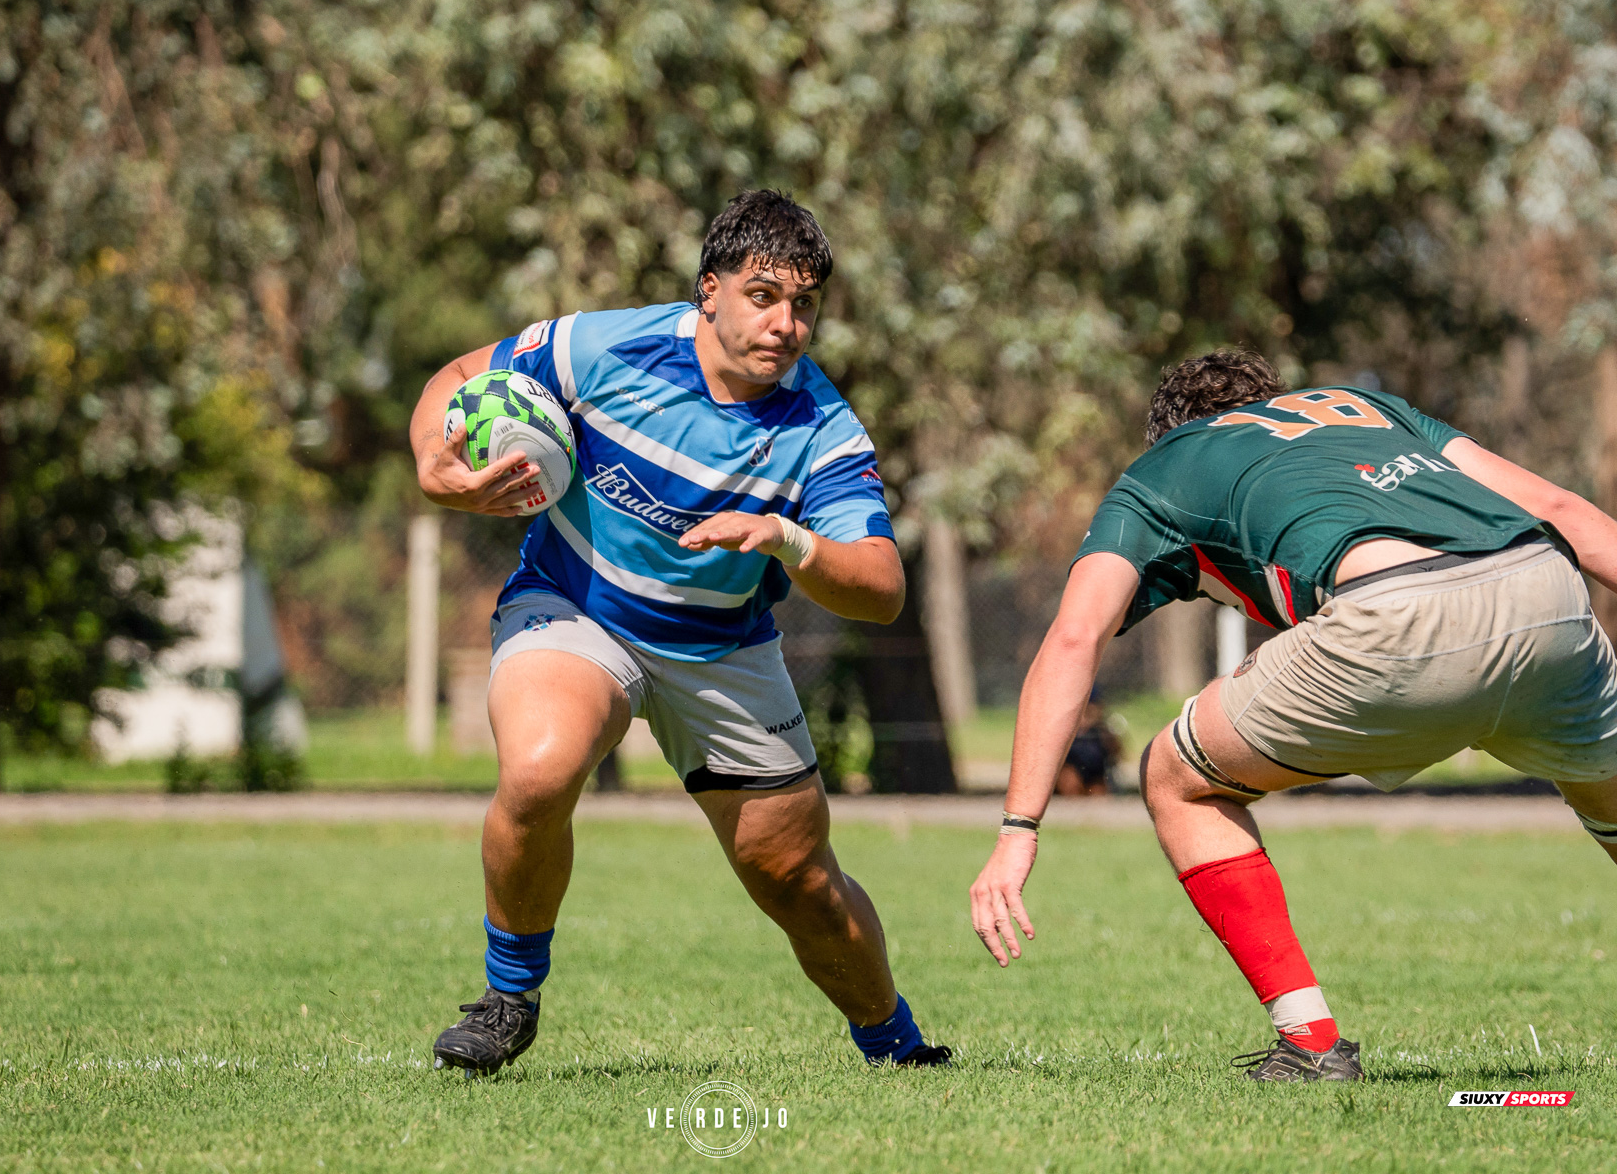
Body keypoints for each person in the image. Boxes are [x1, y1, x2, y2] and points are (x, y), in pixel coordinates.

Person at [411, 190, 950, 1075]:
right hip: (575, 606)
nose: (785, 323)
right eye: (763, 295)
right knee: (541, 769)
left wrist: (788, 537)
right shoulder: (605, 346)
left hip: (723, 651)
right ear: (710, 290)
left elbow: (882, 588)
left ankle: (896, 1046)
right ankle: (508, 997)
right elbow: (460, 378)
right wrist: (436, 461)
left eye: (804, 304)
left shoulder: (821, 429)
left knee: (799, 883)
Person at [969, 349, 1617, 1082]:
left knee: (1177, 778)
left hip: (1395, 616)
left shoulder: (1163, 469)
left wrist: (1017, 830)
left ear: (1169, 433)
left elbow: (1074, 639)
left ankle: (1310, 1046)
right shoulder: (1365, 408)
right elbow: (1563, 510)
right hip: (1548, 592)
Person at [1055, 687, 1119, 797]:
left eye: (1090, 710)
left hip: (1095, 771)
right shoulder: (1064, 730)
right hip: (1070, 767)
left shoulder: (1101, 731)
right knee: (1070, 782)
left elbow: (1117, 754)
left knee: (1098, 791)